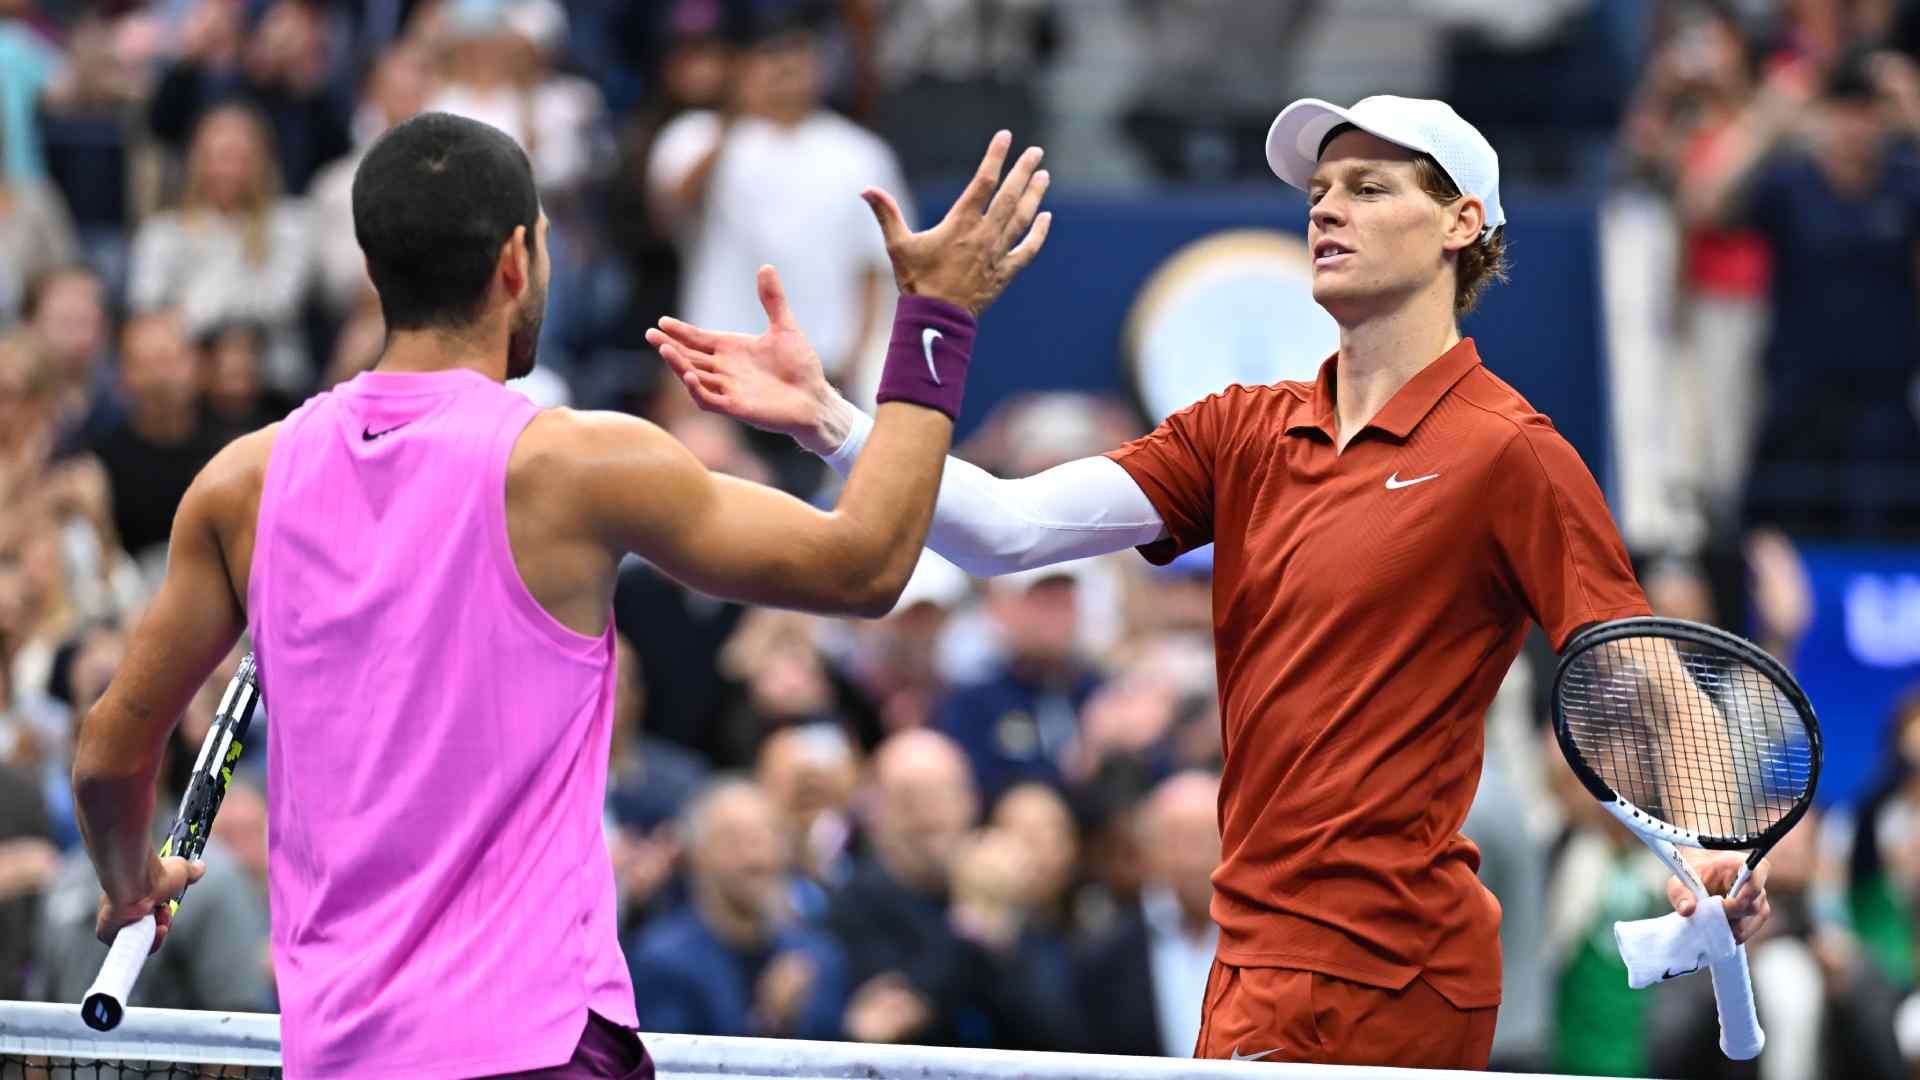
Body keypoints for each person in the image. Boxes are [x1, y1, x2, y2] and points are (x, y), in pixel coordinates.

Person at [653, 93, 1773, 1068]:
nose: (1325, 209)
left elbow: (1636, 676)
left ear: (1460, 225)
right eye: (1321, 190)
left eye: (1369, 188)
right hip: (1249, 957)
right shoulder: (1241, 430)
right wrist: (837, 423)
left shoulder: (1510, 450)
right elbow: (1000, 529)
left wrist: (1710, 850)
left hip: (1396, 967)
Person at [69, 112, 1050, 1079]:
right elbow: (867, 563)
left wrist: (132, 882)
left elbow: (115, 747)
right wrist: (936, 315)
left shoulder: (241, 483)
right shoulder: (582, 465)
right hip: (538, 1051)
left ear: (375, 275)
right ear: (516, 262)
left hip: (341, 1059)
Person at [625, 778, 848, 1040]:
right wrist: (767, 1021)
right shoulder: (661, 962)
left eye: (767, 837)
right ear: (698, 855)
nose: (756, 857)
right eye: (734, 841)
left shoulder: (818, 958)